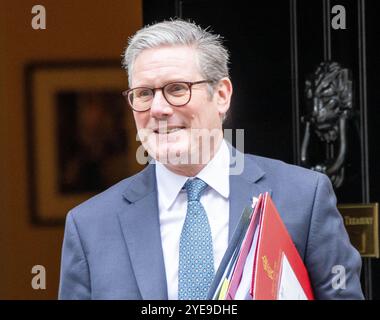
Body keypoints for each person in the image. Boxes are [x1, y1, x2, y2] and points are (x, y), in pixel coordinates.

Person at [58, 19, 364, 300]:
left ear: (221, 95)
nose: (158, 108)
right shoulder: (90, 226)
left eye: (177, 89)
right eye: (144, 94)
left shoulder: (303, 197)